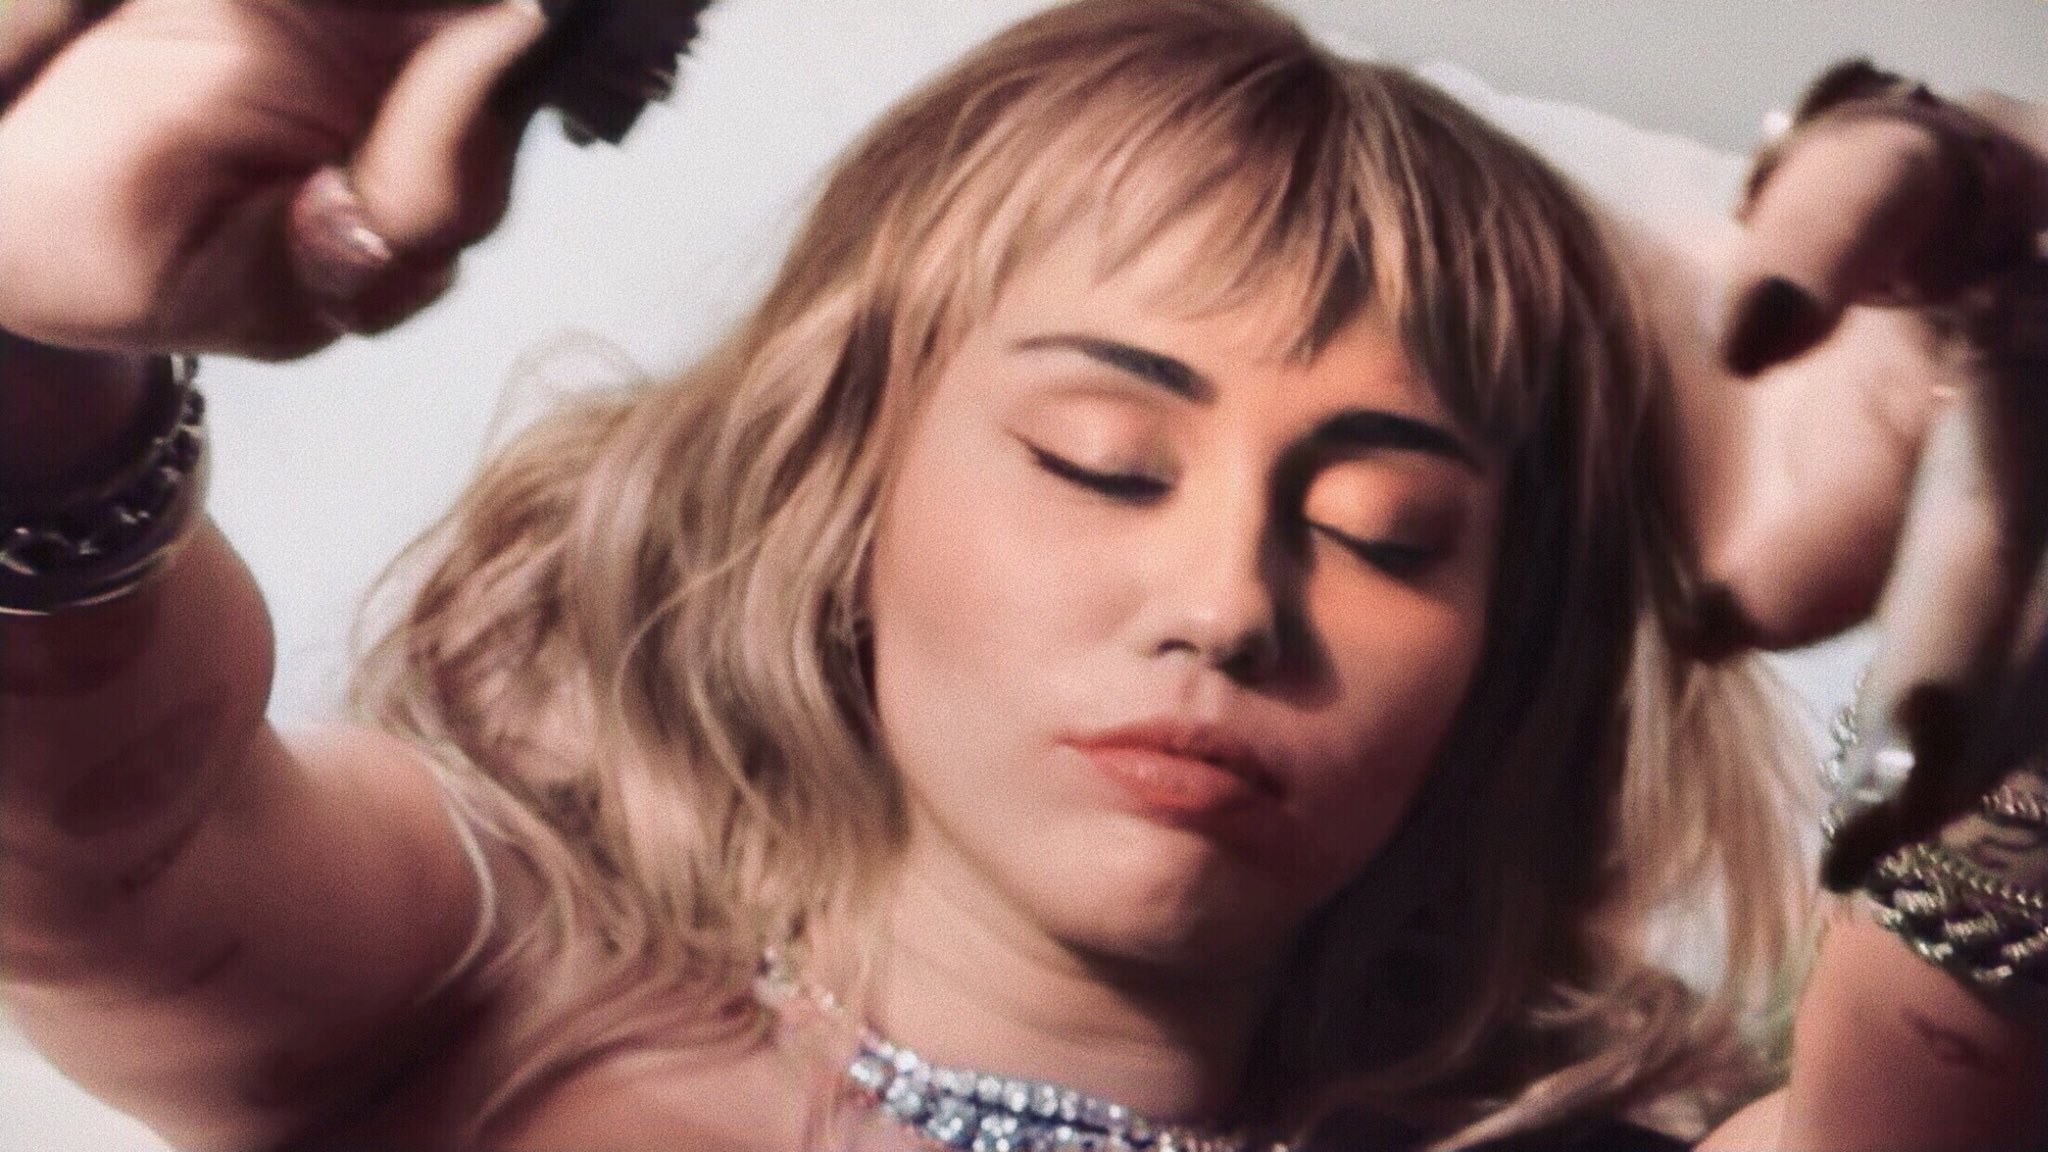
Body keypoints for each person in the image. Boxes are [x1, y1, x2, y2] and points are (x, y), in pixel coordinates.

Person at [0, 1, 2041, 1149]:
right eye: (1100, 460)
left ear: (1508, 653)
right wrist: (33, 352)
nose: (1227, 601)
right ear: (844, 490)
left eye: (1384, 531)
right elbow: (107, 836)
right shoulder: (470, 995)